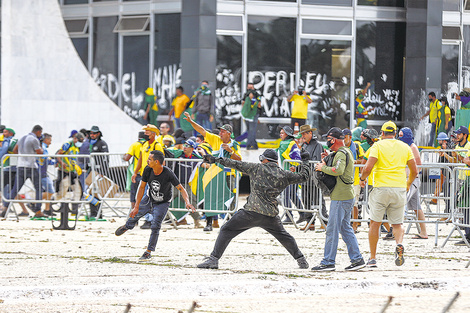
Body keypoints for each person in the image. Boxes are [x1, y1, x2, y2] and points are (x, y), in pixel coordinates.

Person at [196, 149, 311, 269]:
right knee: (284, 236)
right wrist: (305, 161)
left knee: (226, 230)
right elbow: (304, 176)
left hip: (251, 212)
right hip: (270, 215)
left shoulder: (256, 168)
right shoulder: (284, 174)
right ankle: (301, 260)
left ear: (264, 159)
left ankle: (213, 259)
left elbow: (235, 163)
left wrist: (215, 160)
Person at [115, 150, 195, 261]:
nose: (147, 161)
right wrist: (136, 206)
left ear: (156, 162)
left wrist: (187, 202)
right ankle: (127, 226)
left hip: (163, 202)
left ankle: (148, 251)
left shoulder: (168, 173)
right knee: (135, 215)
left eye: (149, 159)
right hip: (149, 198)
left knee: (155, 226)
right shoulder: (148, 170)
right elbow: (142, 187)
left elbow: (181, 188)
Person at [360, 121, 417, 268]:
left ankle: (373, 258)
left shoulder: (377, 146)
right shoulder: (405, 147)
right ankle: (399, 244)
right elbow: (414, 171)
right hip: (399, 188)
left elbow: (368, 167)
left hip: (380, 188)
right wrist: (408, 184)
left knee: (375, 223)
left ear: (383, 134)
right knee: (397, 224)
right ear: (396, 134)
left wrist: (362, 179)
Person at [311, 127, 365, 272]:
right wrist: (328, 158)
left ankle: (328, 261)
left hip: (341, 197)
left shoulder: (341, 153)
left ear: (333, 139)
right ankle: (357, 259)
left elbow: (339, 170)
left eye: (328, 139)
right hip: (345, 195)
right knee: (345, 228)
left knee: (332, 229)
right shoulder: (343, 152)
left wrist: (322, 168)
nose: (326, 141)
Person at [183, 112, 241, 231]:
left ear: (229, 134)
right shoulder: (215, 139)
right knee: (210, 197)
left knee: (230, 198)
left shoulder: (234, 144)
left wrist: (230, 151)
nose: (220, 133)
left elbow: (239, 159)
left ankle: (230, 223)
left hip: (229, 174)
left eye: (223, 132)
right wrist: (190, 121)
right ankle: (209, 223)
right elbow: (202, 130)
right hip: (214, 173)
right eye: (220, 131)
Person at [3, 125, 45, 218]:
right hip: (31, 166)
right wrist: (40, 145)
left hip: (21, 166)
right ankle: (38, 211)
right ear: (38, 132)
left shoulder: (22, 138)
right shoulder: (34, 139)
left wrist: (22, 156)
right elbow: (40, 152)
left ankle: (5, 207)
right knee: (38, 188)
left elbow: (15, 150)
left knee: (15, 189)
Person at [131, 124, 164, 229]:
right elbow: (140, 159)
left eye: (147, 132)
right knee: (141, 197)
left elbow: (162, 161)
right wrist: (135, 172)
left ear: (153, 134)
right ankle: (148, 219)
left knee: (148, 198)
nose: (145, 134)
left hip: (153, 175)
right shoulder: (144, 144)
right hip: (144, 174)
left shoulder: (157, 145)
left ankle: (150, 220)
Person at [398, 128, 428, 239]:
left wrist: (408, 177)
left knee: (401, 202)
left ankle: (396, 230)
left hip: (412, 180)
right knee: (417, 207)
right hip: (409, 179)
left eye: (401, 135)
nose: (399, 138)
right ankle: (423, 232)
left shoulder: (413, 147)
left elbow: (418, 166)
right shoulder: (406, 147)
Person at [297, 124, 327, 230]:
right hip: (305, 178)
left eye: (305, 133)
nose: (303, 135)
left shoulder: (317, 145)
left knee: (318, 200)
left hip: (314, 178)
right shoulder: (304, 146)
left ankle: (324, 222)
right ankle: (310, 222)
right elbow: (302, 162)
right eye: (302, 134)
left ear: (310, 133)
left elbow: (317, 161)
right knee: (306, 201)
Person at [172, 139, 203, 228]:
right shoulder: (179, 154)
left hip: (184, 185)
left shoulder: (195, 158)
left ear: (192, 148)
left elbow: (206, 164)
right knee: (164, 200)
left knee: (191, 202)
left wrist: (203, 153)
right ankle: (151, 219)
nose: (185, 147)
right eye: (184, 145)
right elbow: (169, 153)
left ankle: (197, 222)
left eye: (188, 146)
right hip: (173, 183)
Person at [276, 126, 304, 224]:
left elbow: (295, 158)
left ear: (287, 134)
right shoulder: (291, 143)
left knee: (287, 195)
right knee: (292, 195)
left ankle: (289, 216)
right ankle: (302, 213)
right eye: (280, 132)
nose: (280, 134)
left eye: (282, 133)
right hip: (292, 173)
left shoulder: (288, 144)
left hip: (289, 174)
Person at [56, 132, 85, 216]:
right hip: (64, 171)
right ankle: (51, 204)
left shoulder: (77, 147)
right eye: (79, 141)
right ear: (75, 139)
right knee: (62, 192)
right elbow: (58, 154)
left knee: (77, 191)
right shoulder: (67, 144)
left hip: (72, 172)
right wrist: (61, 162)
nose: (80, 143)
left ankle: (74, 211)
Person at [343, 128, 364, 232]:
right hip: (343, 179)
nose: (343, 139)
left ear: (350, 137)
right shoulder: (341, 147)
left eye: (345, 137)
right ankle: (346, 223)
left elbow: (364, 160)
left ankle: (355, 223)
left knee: (354, 203)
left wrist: (356, 162)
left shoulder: (356, 146)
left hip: (355, 179)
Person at [123, 131, 146, 213]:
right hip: (147, 173)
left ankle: (134, 215)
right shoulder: (148, 145)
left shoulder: (135, 145)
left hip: (137, 174)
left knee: (134, 196)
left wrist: (124, 155)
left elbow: (127, 158)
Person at [38, 133, 55, 216]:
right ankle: (33, 202)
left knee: (48, 190)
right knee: (51, 190)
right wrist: (54, 162)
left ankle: (47, 209)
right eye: (50, 140)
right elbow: (45, 159)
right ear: (46, 139)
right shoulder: (43, 147)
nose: (50, 142)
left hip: (42, 172)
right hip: (42, 172)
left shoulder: (41, 146)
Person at [241, 83, 262, 150]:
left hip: (254, 115)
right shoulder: (245, 95)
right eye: (249, 88)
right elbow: (243, 103)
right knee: (249, 130)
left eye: (251, 88)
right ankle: (254, 145)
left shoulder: (257, 95)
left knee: (251, 130)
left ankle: (249, 145)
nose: (250, 89)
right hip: (247, 115)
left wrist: (252, 100)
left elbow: (259, 104)